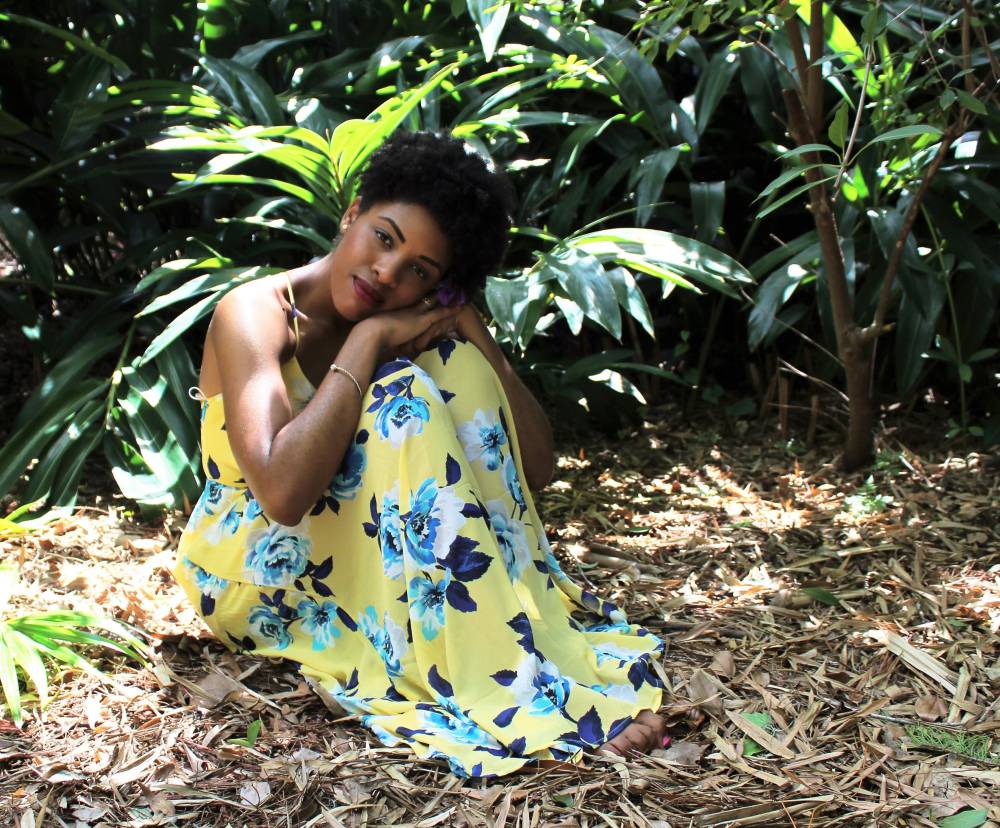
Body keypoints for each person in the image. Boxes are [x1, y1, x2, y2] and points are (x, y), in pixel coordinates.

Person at [173, 131, 666, 777]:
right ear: (352, 213)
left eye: (420, 271)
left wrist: (474, 334)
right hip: (255, 561)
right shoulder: (257, 313)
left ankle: (513, 649)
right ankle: (503, 684)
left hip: (356, 552)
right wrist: (369, 340)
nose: (387, 273)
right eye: (384, 237)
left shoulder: (419, 323)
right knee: (397, 395)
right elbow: (283, 495)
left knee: (451, 367)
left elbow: (535, 471)